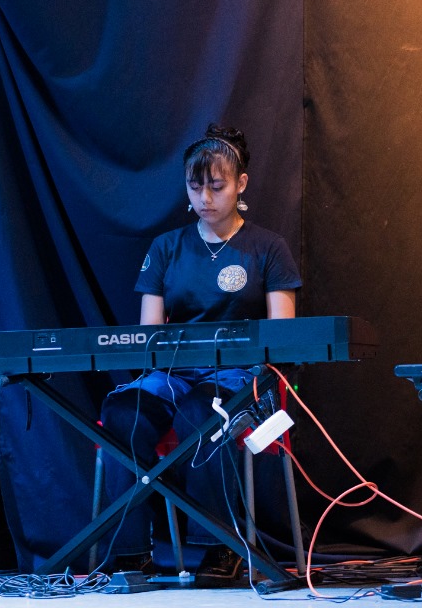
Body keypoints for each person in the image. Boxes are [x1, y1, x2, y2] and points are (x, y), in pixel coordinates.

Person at [100, 124, 301, 585]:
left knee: (200, 415)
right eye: (195, 187)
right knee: (123, 411)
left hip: (240, 375)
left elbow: (282, 336)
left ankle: (216, 547)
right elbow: (148, 334)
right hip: (174, 371)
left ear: (240, 185)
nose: (205, 198)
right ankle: (134, 549)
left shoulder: (268, 248)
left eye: (217, 186)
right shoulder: (166, 248)